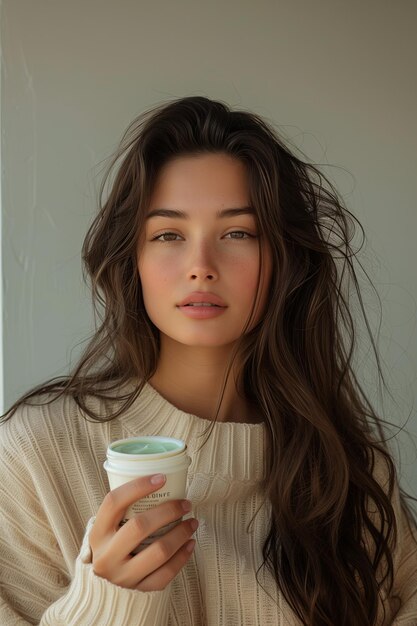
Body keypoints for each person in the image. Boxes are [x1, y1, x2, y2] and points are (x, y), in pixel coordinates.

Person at [0, 96, 416, 626]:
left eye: (238, 233)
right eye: (169, 234)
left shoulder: (345, 468)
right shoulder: (34, 455)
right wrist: (107, 602)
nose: (201, 266)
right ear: (134, 260)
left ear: (285, 260)